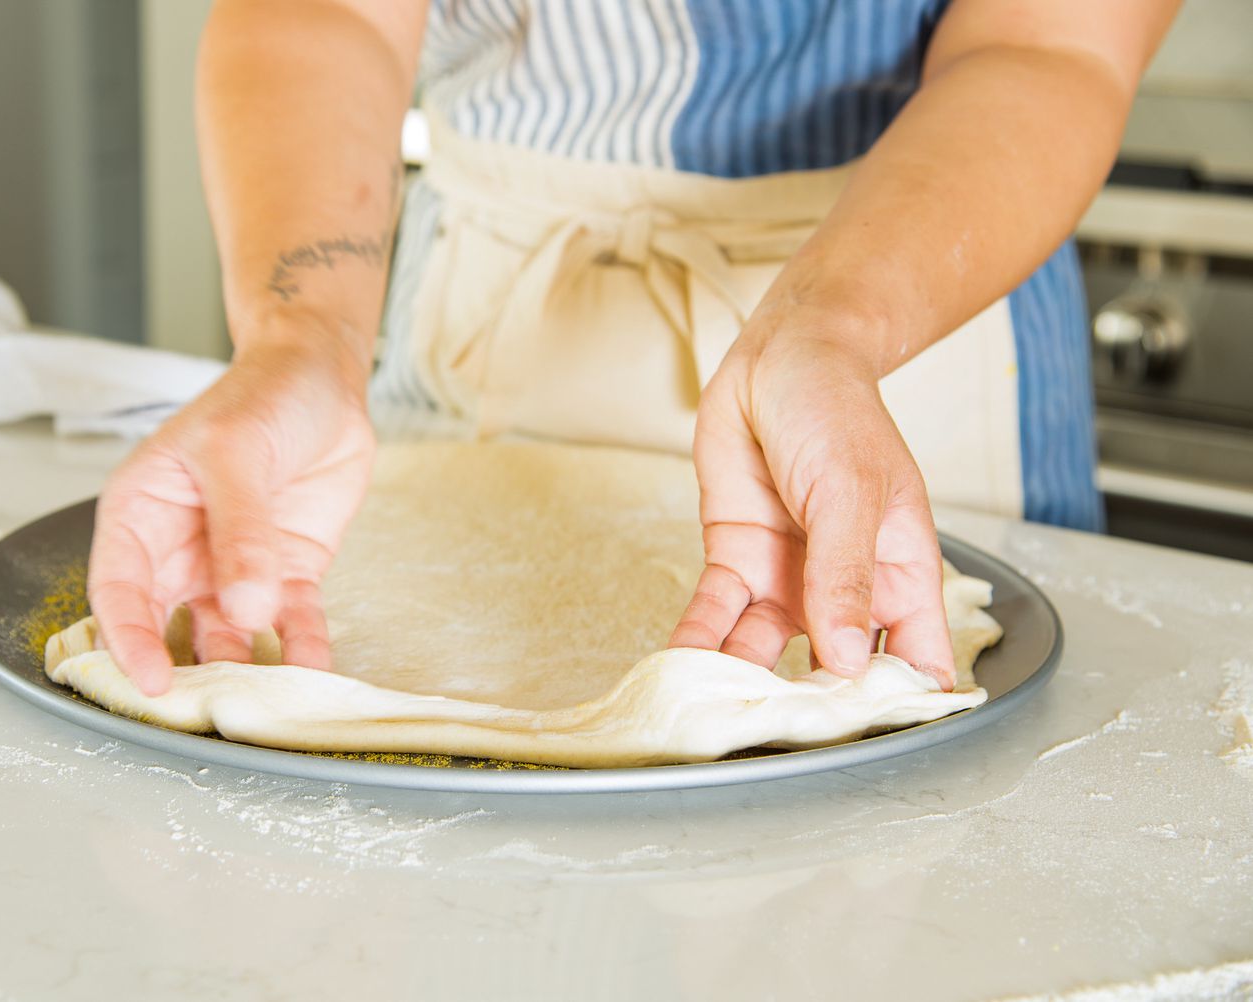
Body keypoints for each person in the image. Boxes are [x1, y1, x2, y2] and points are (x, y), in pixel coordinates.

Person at [87, 0, 1177, 698]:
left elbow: (1048, 45)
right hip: (494, 313)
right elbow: (328, 14)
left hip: (903, 303)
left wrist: (829, 332)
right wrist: (303, 336)